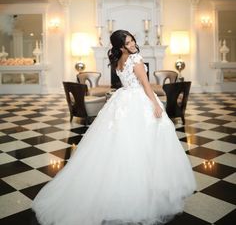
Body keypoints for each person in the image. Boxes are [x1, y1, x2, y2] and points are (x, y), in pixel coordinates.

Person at [32, 30, 196, 225]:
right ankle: (144, 187)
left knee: (120, 143)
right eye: (128, 42)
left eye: (133, 40)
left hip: (123, 99)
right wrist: (155, 105)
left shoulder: (118, 61)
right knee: (143, 143)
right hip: (138, 101)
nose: (133, 43)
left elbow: (129, 82)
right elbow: (146, 85)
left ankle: (127, 184)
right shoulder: (136, 60)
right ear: (120, 46)